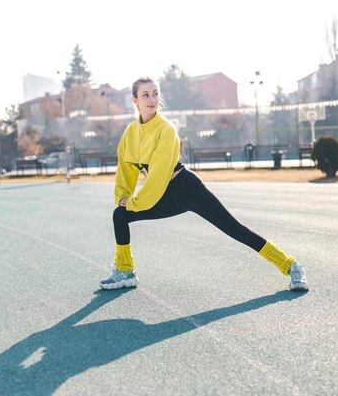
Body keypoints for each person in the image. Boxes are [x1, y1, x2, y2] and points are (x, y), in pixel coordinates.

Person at [99, 77, 308, 291]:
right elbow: (126, 166)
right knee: (120, 214)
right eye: (145, 95)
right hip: (163, 196)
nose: (152, 99)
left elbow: (158, 175)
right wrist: (124, 196)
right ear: (135, 100)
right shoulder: (131, 132)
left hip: (187, 189)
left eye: (155, 93)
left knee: (235, 229)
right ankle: (125, 270)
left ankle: (290, 266)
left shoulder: (166, 129)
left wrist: (136, 202)